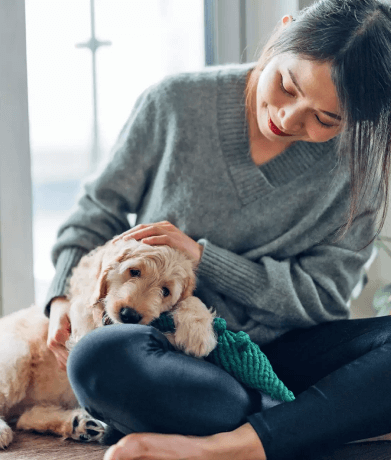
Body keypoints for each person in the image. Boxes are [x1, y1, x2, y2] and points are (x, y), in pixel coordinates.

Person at [44, 0, 391, 459]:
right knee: (97, 359)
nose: (289, 119)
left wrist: (204, 258)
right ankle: (313, 421)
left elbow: (322, 297)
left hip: (282, 360)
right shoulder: (174, 103)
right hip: (172, 354)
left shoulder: (358, 170)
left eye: (326, 119)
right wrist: (61, 299)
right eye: (287, 86)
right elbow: (96, 213)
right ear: (281, 33)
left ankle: (234, 445)